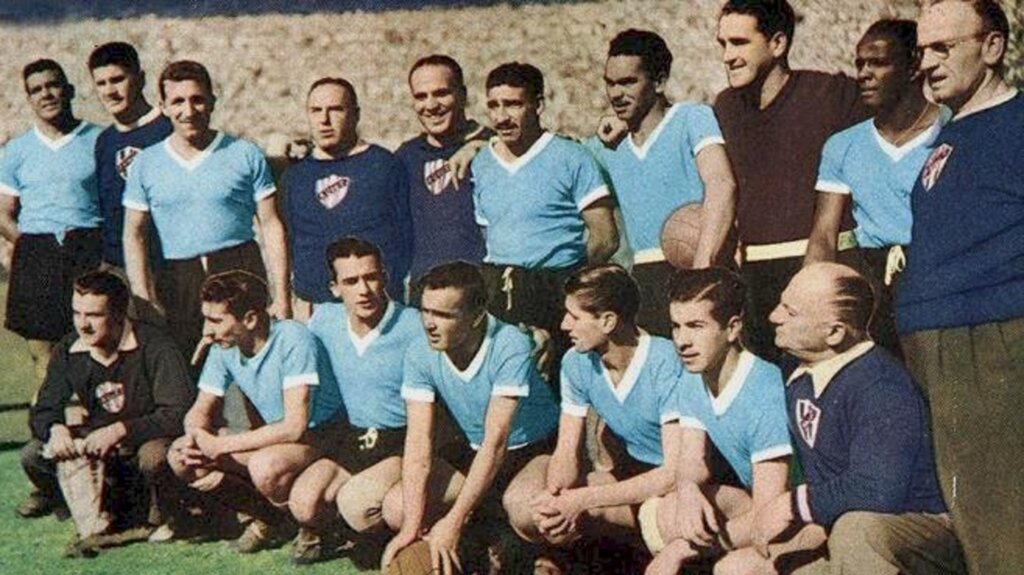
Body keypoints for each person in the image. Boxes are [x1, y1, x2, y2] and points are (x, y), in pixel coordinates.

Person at [715, 263, 965, 574]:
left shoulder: (881, 386)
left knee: (856, 530)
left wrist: (792, 505)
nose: (773, 317)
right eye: (781, 303)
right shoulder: (797, 370)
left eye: (790, 313)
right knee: (738, 570)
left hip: (914, 534)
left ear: (834, 332)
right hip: (839, 533)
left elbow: (877, 492)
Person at [897, 1, 1023, 572]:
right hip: (934, 345)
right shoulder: (949, 134)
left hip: (992, 342)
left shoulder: (1017, 123)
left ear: (993, 46)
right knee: (966, 519)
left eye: (943, 47)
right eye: (922, 50)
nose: (926, 62)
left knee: (1001, 523)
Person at [502, 264, 684, 571]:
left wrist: (579, 501)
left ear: (608, 320)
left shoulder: (665, 362)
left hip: (677, 483)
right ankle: (563, 557)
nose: (563, 325)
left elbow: (672, 473)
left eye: (574, 316)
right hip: (627, 474)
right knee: (525, 504)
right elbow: (566, 451)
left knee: (654, 518)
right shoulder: (575, 362)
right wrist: (555, 500)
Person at [381, 262, 560, 575]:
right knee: (399, 507)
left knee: (525, 508)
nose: (429, 324)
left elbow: (497, 441)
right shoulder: (419, 352)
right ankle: (477, 547)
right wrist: (411, 526)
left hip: (532, 449)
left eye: (444, 315)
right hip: (475, 450)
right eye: (425, 311)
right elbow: (419, 442)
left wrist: (454, 520)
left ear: (477, 316)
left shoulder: (509, 344)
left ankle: (545, 555)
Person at [713, 0, 867, 361]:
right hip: (754, 278)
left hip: (826, 268)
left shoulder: (829, 93)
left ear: (778, 44)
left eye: (739, 42)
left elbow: (901, 111)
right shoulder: (724, 107)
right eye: (722, 44)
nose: (727, 56)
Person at [122, 60, 291, 360]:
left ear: (212, 100)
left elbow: (271, 223)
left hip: (240, 268)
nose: (188, 111)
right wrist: (143, 297)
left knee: (257, 375)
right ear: (162, 106)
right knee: (190, 379)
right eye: (178, 101)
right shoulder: (146, 164)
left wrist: (282, 296)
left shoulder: (244, 153)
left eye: (197, 99)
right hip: (178, 278)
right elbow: (134, 235)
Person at [166, 270, 343, 553]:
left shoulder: (294, 339)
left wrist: (220, 444)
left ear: (249, 319)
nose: (205, 331)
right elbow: (200, 408)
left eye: (215, 320)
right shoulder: (223, 346)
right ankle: (270, 519)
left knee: (265, 466)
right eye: (205, 319)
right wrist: (194, 436)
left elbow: (295, 427)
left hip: (321, 437)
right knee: (181, 457)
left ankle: (315, 524)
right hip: (278, 439)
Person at [20, 271, 194, 553]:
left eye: (93, 315)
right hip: (100, 444)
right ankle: (84, 508)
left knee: (155, 458)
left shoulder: (155, 345)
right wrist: (56, 428)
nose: (83, 325)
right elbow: (43, 409)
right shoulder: (69, 348)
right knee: (33, 455)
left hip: (147, 438)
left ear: (118, 314)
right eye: (77, 313)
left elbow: (177, 412)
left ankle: (162, 515)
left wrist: (120, 430)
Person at [805, 19, 947, 357]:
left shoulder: (953, 128)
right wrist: (812, 301)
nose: (863, 74)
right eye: (859, 64)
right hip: (875, 290)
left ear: (914, 66)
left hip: (937, 279)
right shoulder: (843, 146)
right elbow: (823, 235)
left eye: (878, 63)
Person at [640, 267, 792, 574]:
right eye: (676, 327)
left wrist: (680, 550)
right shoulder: (693, 377)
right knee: (667, 513)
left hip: (798, 514)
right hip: (757, 501)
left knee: (730, 569)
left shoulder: (765, 394)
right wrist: (688, 488)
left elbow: (769, 514)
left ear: (733, 328)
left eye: (696, 326)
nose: (682, 341)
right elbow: (692, 461)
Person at [588, 30, 737, 336]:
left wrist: (701, 272)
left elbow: (721, 183)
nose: (616, 93)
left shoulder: (691, 118)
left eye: (628, 82)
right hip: (645, 282)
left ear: (658, 81)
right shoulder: (606, 147)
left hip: (701, 269)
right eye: (610, 83)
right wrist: (476, 145)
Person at [287, 237, 423, 564]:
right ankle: (341, 532)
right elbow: (281, 343)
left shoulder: (415, 325)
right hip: (353, 436)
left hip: (400, 439)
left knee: (359, 507)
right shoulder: (324, 321)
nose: (363, 289)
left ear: (385, 277)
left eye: (371, 277)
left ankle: (382, 538)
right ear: (335, 288)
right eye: (351, 281)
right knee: (303, 503)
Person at [472, 62, 618, 355]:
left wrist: (568, 280)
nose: (501, 117)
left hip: (556, 290)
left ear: (538, 104)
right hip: (500, 292)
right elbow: (490, 235)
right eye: (494, 105)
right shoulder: (482, 163)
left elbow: (605, 237)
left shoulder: (572, 157)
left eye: (513, 104)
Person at [0, 59, 103, 388]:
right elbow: (3, 212)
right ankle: (45, 433)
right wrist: (30, 245)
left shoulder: (100, 140)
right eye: (36, 89)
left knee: (98, 351)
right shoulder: (16, 150)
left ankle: (103, 432)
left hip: (88, 251)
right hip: (37, 251)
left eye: (52, 85)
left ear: (69, 90)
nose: (46, 94)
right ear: (29, 98)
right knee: (44, 358)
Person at [282, 77, 412, 314]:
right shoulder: (295, 177)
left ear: (356, 114)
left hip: (375, 305)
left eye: (335, 110)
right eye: (316, 111)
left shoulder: (384, 165)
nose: (324, 120)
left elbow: (406, 237)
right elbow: (292, 242)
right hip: (314, 310)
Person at [395, 55, 488, 287]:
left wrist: (489, 148)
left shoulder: (497, 146)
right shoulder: (406, 156)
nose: (431, 105)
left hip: (481, 289)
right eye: (421, 96)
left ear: (463, 95)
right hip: (425, 293)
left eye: (441, 93)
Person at [88, 42, 172, 272]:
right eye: (101, 83)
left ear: (141, 78)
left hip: (167, 268)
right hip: (116, 269)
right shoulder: (104, 141)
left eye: (117, 80)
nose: (109, 91)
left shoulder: (168, 130)